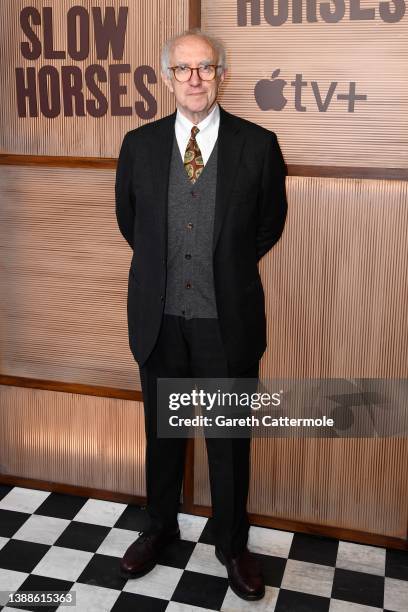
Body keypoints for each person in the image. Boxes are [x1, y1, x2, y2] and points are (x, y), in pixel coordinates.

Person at [115, 28, 287, 601]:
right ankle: (160, 528)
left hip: (227, 322)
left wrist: (221, 269)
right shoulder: (138, 146)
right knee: (162, 437)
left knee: (228, 443)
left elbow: (266, 227)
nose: (194, 79)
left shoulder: (258, 146)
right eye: (182, 69)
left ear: (222, 75)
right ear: (167, 78)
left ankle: (232, 545)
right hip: (160, 320)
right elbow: (132, 224)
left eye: (205, 68)